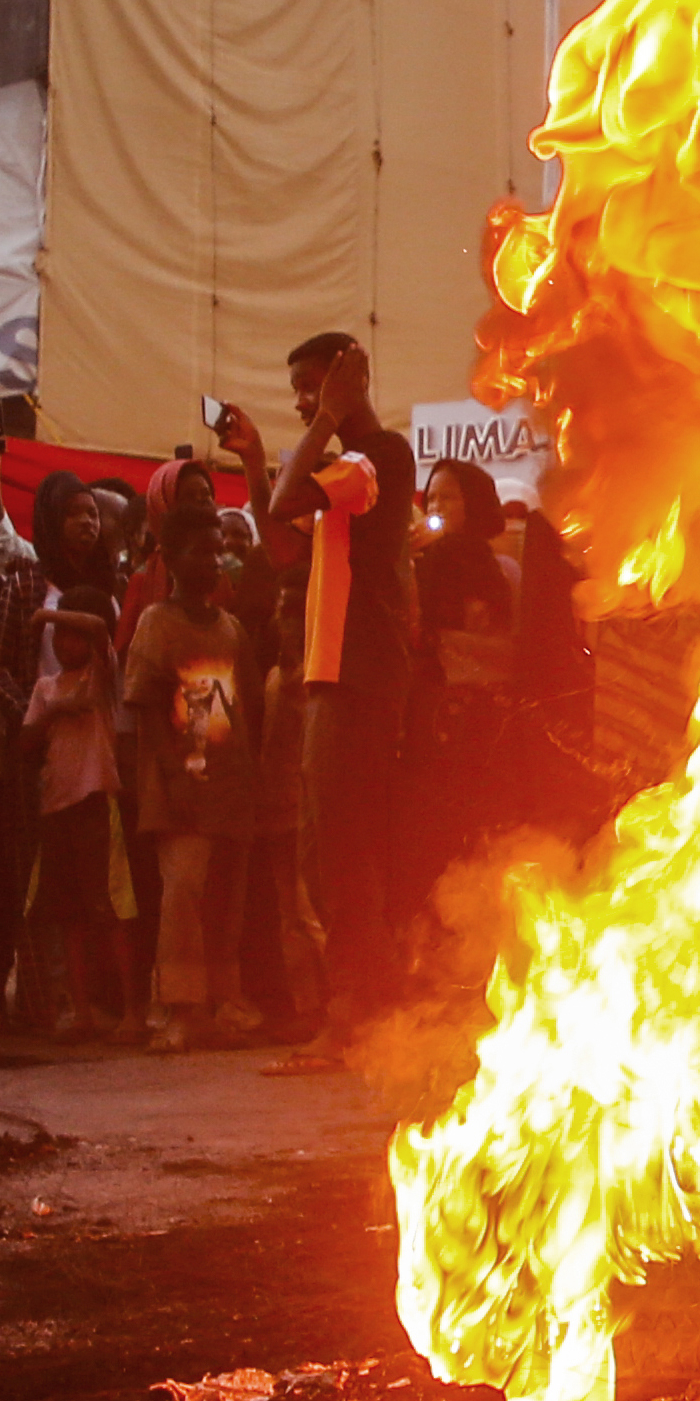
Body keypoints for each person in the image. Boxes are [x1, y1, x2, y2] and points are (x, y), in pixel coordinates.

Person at [225, 332, 426, 1039]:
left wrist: (327, 418)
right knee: (322, 845)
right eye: (300, 393)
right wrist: (251, 460)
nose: (306, 402)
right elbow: (283, 545)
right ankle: (361, 1005)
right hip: (328, 671)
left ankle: (359, 1011)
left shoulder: (381, 458)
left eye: (315, 385)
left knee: (341, 846)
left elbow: (284, 505)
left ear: (351, 377)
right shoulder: (346, 467)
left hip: (360, 670)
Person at [120, 493, 271, 1053]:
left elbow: (246, 705)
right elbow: (145, 710)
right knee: (183, 892)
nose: (213, 563)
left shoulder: (231, 628)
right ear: (171, 557)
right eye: (201, 553)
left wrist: (247, 774)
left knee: (225, 900)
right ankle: (180, 1009)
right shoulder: (157, 624)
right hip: (180, 787)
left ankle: (220, 1003)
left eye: (217, 552)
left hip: (228, 786)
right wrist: (176, 777)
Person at [20, 481, 130, 1038]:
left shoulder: (101, 665)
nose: (87, 524)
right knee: (64, 910)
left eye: (94, 514)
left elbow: (101, 634)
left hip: (96, 798)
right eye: (74, 514)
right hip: (55, 801)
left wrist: (48, 622)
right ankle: (73, 1005)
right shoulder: (45, 687)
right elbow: (29, 736)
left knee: (106, 905)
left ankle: (124, 1006)